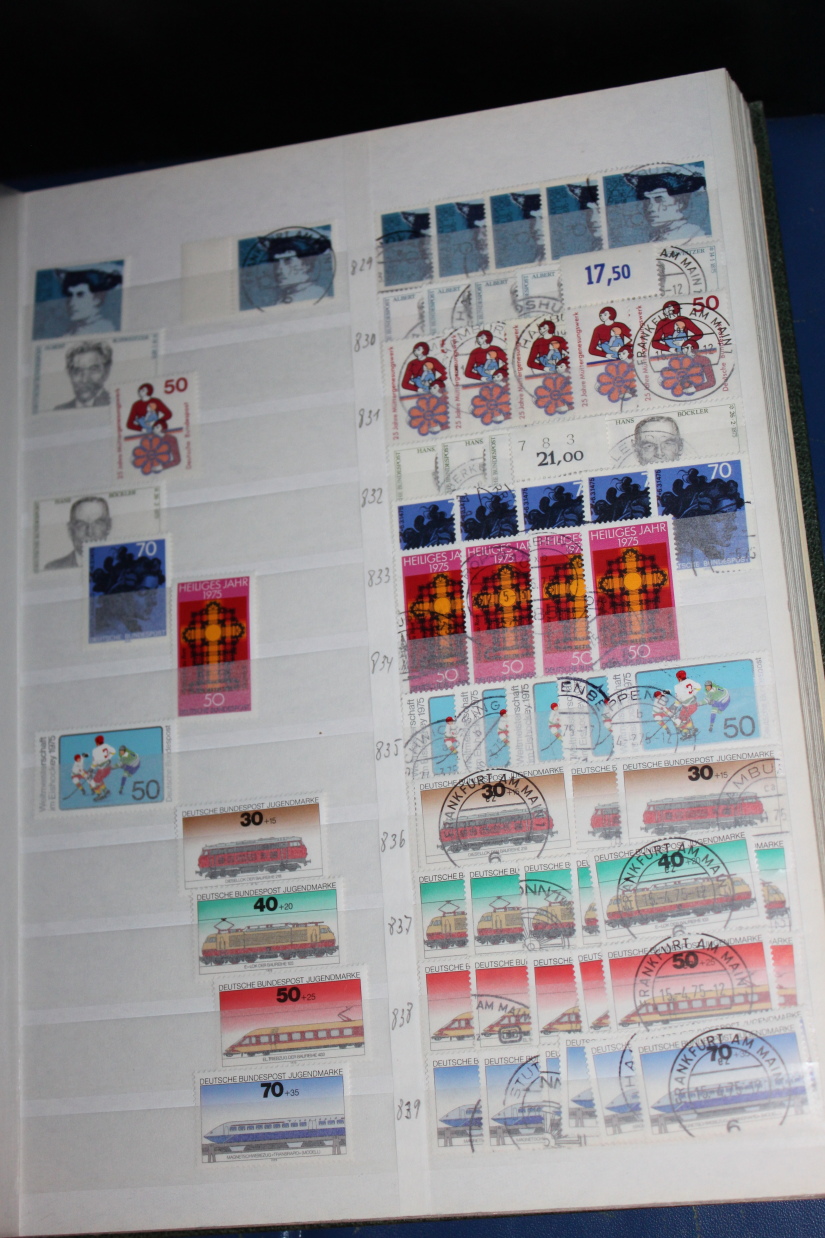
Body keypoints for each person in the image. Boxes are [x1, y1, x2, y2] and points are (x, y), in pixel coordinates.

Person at [623, 168, 708, 242]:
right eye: (646, 201)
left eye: (659, 200)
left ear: (679, 203)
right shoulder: (656, 237)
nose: (650, 208)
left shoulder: (692, 234)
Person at [255, 231, 333, 303]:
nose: (278, 270)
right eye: (276, 263)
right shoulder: (284, 297)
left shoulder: (314, 294)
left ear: (306, 264)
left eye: (288, 261)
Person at [45, 495, 112, 570]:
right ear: (70, 530)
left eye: (97, 523)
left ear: (109, 526)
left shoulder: (120, 563)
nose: (89, 532)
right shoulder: (53, 568)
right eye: (81, 525)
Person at [57, 267, 122, 335]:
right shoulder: (70, 332)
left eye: (80, 294)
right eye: (69, 295)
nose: (72, 302)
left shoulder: (104, 329)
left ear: (97, 298)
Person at [55, 340, 113, 409]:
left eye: (93, 370)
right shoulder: (60, 409)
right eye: (78, 371)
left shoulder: (116, 404)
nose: (84, 380)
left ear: (106, 372)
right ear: (69, 374)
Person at [673, 669, 703, 736]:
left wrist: (675, 706)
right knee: (684, 717)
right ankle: (691, 729)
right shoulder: (690, 681)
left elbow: (679, 698)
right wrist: (693, 692)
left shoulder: (678, 686)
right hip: (694, 705)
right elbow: (699, 687)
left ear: (679, 678)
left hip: (688, 706)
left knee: (681, 719)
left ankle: (687, 732)